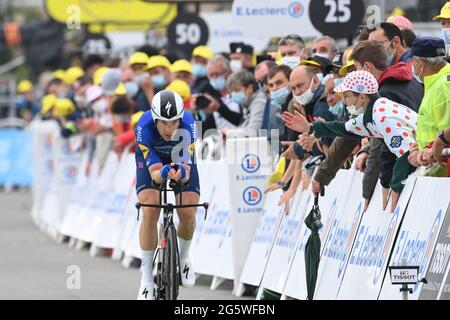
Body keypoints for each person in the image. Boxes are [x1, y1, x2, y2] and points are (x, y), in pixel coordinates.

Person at [284, 70, 418, 213]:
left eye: (347, 96)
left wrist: (395, 187)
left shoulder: (381, 116)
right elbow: (342, 128)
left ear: (361, 97)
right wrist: (310, 127)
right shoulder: (371, 113)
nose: (344, 101)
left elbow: (406, 154)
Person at [135, 90, 200, 300]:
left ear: (180, 119)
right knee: (150, 209)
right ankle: (146, 279)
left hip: (178, 157)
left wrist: (180, 173)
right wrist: (162, 173)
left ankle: (184, 256)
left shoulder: (189, 125)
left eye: (174, 123)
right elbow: (154, 174)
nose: (169, 129)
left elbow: (186, 172)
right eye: (163, 123)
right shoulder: (143, 129)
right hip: (153, 160)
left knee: (188, 211)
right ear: (154, 120)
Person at [407, 37, 450, 176]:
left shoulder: (443, 85)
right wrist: (420, 149)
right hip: (435, 170)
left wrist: (427, 152)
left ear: (420, 63)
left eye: (412, 61)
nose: (412, 66)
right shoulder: (436, 82)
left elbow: (446, 133)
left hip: (441, 176)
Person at [226, 70, 266, 137]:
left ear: (250, 88)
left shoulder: (260, 102)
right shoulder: (247, 104)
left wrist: (229, 133)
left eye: (236, 90)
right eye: (231, 92)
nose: (233, 94)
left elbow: (252, 132)